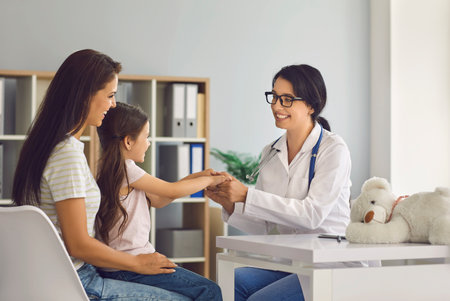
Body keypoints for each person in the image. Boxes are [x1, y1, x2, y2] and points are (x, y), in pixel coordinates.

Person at [12, 49, 192, 300]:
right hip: (78, 280)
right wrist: (138, 263)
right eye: (109, 95)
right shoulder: (66, 155)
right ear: (84, 95)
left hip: (52, 277)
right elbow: (78, 244)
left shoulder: (43, 146)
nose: (113, 104)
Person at [206, 64, 353, 301]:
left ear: (311, 106)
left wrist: (246, 195)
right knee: (228, 285)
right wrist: (229, 202)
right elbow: (264, 224)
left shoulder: (333, 149)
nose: (276, 106)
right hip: (291, 261)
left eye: (286, 99)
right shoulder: (271, 152)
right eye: (274, 97)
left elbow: (312, 215)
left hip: (330, 262)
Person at [95, 101, 225, 301]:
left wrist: (197, 176)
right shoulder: (127, 169)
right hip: (131, 268)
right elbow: (171, 190)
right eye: (146, 136)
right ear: (128, 142)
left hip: (115, 267)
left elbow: (160, 199)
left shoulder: (108, 169)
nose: (148, 142)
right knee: (210, 290)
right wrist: (210, 180)